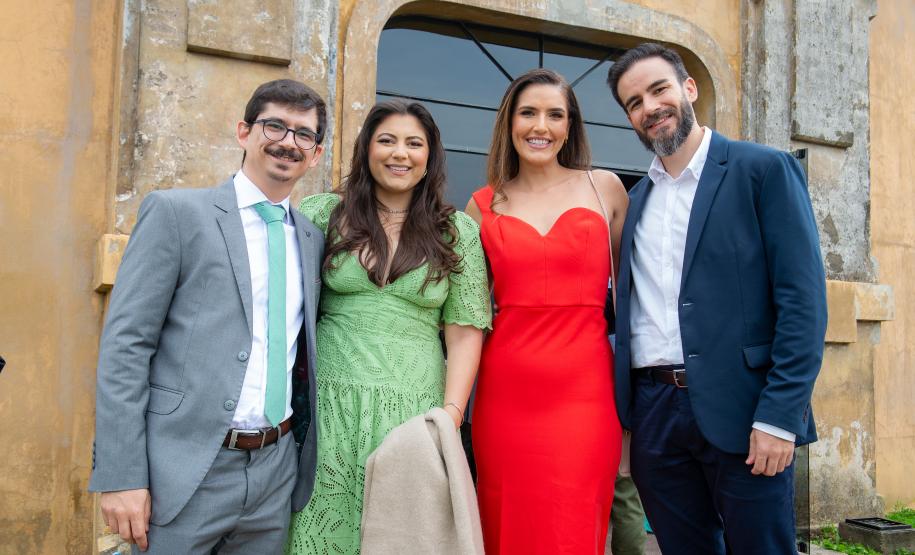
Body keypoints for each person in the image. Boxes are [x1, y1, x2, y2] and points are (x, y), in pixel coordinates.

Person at [606, 43, 827, 554]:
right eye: (634, 102)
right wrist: (629, 420)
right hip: (655, 414)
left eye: (659, 89)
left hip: (746, 409)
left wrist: (779, 417)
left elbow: (803, 304)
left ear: (688, 88)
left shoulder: (763, 170)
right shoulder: (635, 200)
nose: (650, 106)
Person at [88, 79, 327, 553]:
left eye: (304, 134)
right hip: (184, 468)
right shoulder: (177, 213)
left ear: (316, 154)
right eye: (274, 125)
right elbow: (126, 346)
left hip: (275, 473)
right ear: (244, 132)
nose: (287, 142)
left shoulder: (311, 238)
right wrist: (121, 474)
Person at [285, 99, 491, 554]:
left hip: (415, 411)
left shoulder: (456, 231)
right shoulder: (322, 214)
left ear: (430, 156)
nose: (400, 153)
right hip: (328, 406)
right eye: (387, 141)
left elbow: (464, 331)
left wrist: (451, 418)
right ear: (366, 149)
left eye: (413, 143)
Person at [467, 68, 628, 554]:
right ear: (509, 122)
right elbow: (467, 313)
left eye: (555, 114)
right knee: (505, 518)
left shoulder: (606, 189)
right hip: (505, 392)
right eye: (528, 113)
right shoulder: (482, 204)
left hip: (586, 391)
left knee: (574, 521)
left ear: (570, 125)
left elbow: (634, 299)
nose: (541, 126)